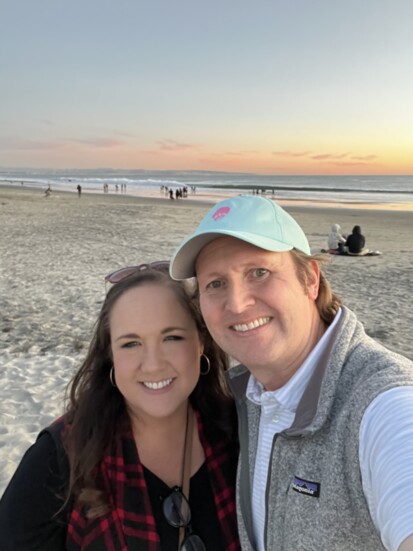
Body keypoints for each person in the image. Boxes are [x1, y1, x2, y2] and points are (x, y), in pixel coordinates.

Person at [169, 195, 413, 551]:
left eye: (259, 272)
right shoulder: (246, 396)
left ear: (310, 280)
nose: (237, 304)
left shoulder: (383, 405)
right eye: (216, 284)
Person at [0, 264, 240, 551]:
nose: (153, 364)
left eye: (172, 337)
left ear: (201, 342)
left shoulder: (238, 435)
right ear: (110, 354)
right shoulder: (61, 457)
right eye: (130, 344)